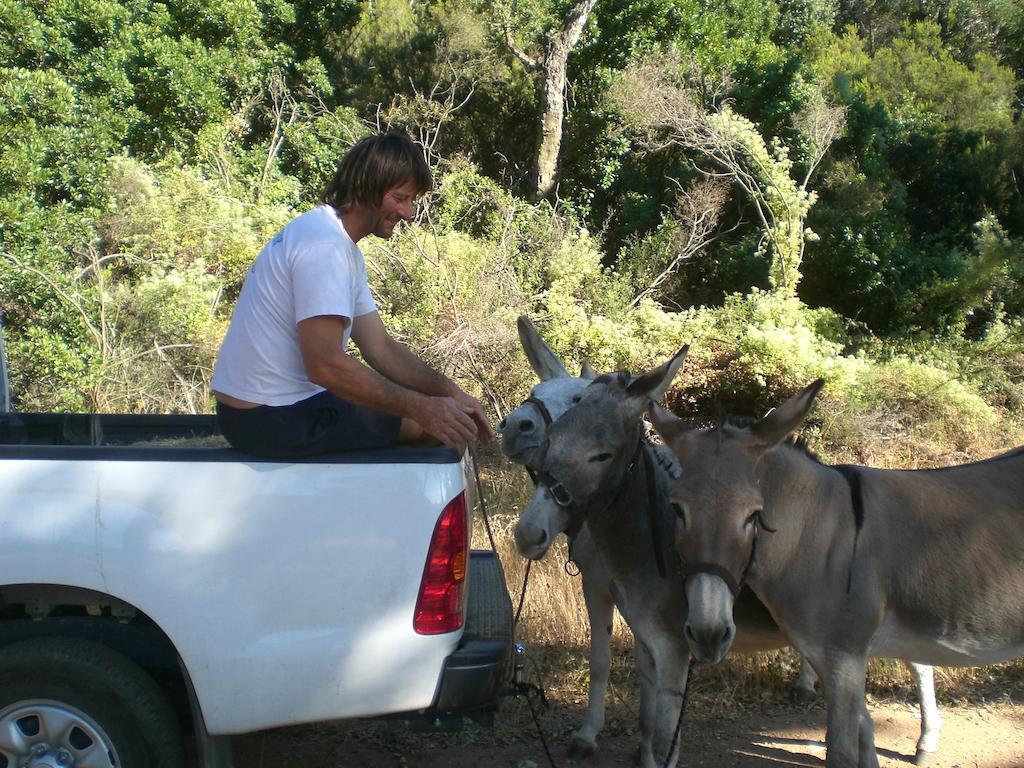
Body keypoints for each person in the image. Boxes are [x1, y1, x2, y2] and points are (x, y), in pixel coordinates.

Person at [211, 132, 495, 458]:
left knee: (436, 415)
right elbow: (325, 366)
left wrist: (451, 394)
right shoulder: (324, 246)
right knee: (430, 427)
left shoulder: (337, 244)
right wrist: (423, 409)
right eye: (400, 198)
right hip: (270, 418)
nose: (409, 213)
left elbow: (381, 348)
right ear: (365, 188)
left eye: (411, 201)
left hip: (278, 408)